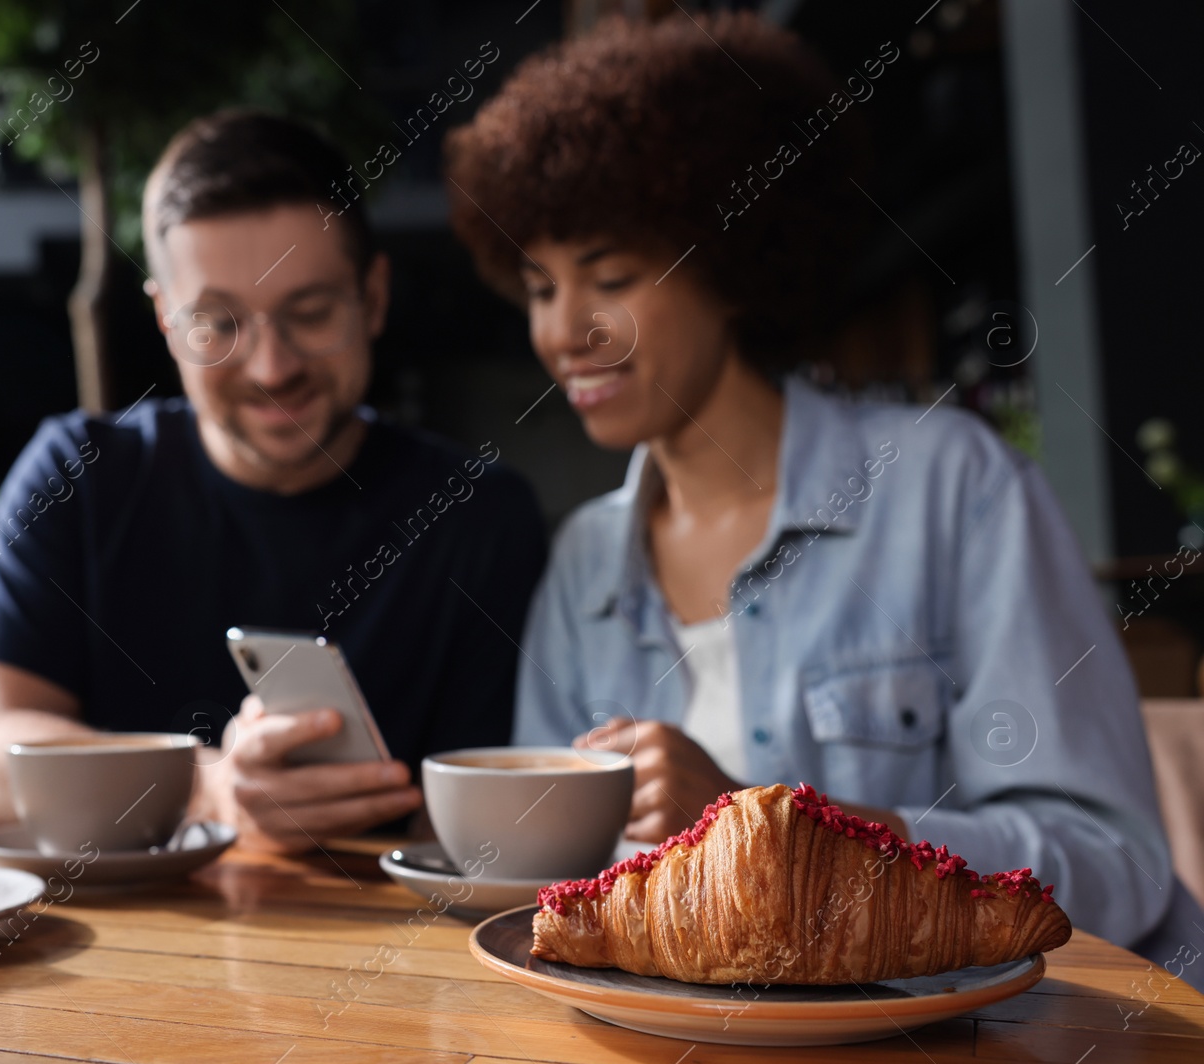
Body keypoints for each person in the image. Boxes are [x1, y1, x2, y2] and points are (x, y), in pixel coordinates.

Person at [444, 12, 1202, 983]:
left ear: (728, 264)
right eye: (540, 286)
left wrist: (781, 830)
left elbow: (1111, 862)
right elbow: (545, 901)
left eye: (612, 276)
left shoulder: (948, 491)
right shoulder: (583, 564)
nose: (563, 331)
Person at [0, 111, 547, 853]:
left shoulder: (479, 517)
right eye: (218, 323)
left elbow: (489, 827)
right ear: (167, 320)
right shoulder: (79, 475)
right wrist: (207, 787)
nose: (272, 368)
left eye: (310, 310)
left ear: (374, 296)